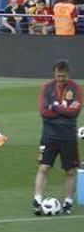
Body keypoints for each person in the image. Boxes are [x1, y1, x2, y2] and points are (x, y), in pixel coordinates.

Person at [33, 60, 81, 216]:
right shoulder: (47, 87)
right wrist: (63, 109)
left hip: (68, 136)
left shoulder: (76, 88)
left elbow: (75, 112)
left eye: (64, 76)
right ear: (54, 74)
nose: (61, 79)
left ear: (69, 74)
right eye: (58, 76)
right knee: (44, 167)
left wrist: (54, 107)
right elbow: (43, 112)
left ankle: (68, 203)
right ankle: (37, 200)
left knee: (70, 171)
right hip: (49, 135)